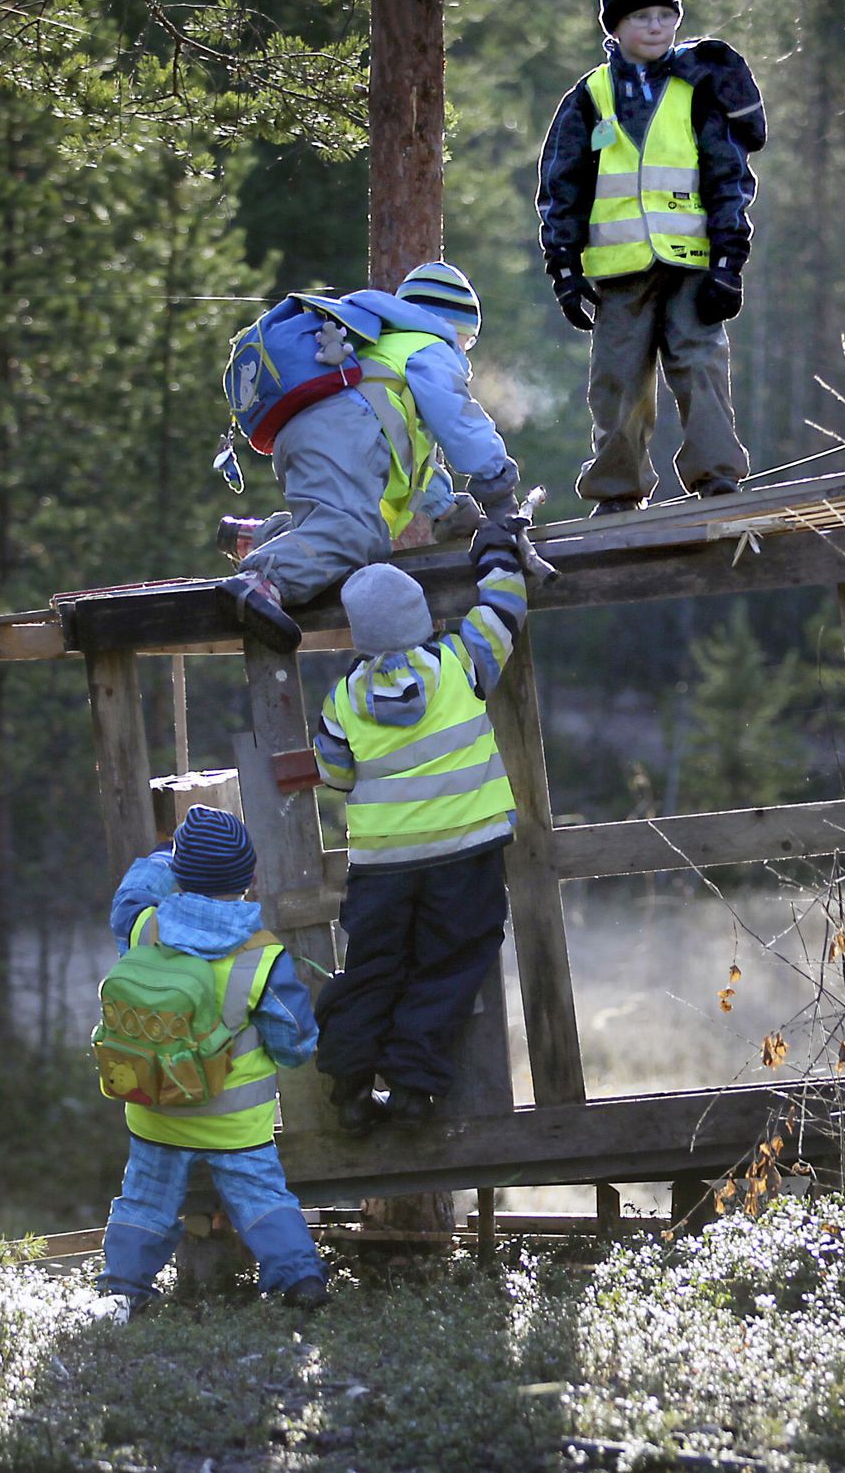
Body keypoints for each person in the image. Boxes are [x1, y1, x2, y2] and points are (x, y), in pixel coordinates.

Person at [311, 522, 533, 1131]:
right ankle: (412, 1086)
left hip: (381, 864)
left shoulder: (342, 700)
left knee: (372, 967)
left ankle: (352, 1087)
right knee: (451, 962)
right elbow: (506, 605)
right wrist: (494, 548)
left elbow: (334, 774)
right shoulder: (463, 661)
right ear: (423, 617)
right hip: (466, 852)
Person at [535, 0, 765, 514]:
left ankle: (718, 480)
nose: (657, 25)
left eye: (667, 13)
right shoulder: (588, 98)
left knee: (701, 366)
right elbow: (561, 185)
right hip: (617, 272)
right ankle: (617, 492)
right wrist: (564, 268)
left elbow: (728, 177)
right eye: (642, 16)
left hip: (694, 264)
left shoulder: (699, 89)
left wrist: (730, 262)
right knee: (617, 382)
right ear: (614, 25)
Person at [91, 806, 327, 1320]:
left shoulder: (145, 929)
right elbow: (295, 1040)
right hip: (234, 1123)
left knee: (144, 1201)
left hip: (157, 1111)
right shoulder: (261, 957)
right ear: (249, 880)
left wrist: (161, 859)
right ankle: (301, 1278)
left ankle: (123, 1288)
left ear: (178, 876)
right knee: (263, 1198)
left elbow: (129, 898)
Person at [218, 261, 526, 650]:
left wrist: (446, 509)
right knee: (354, 535)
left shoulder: (377, 348)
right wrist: (496, 484)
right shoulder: (428, 345)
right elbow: (460, 419)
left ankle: (255, 537)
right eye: (469, 340)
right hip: (343, 433)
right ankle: (259, 584)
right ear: (454, 326)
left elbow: (412, 458)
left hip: (306, 433)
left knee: (342, 532)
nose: (466, 351)